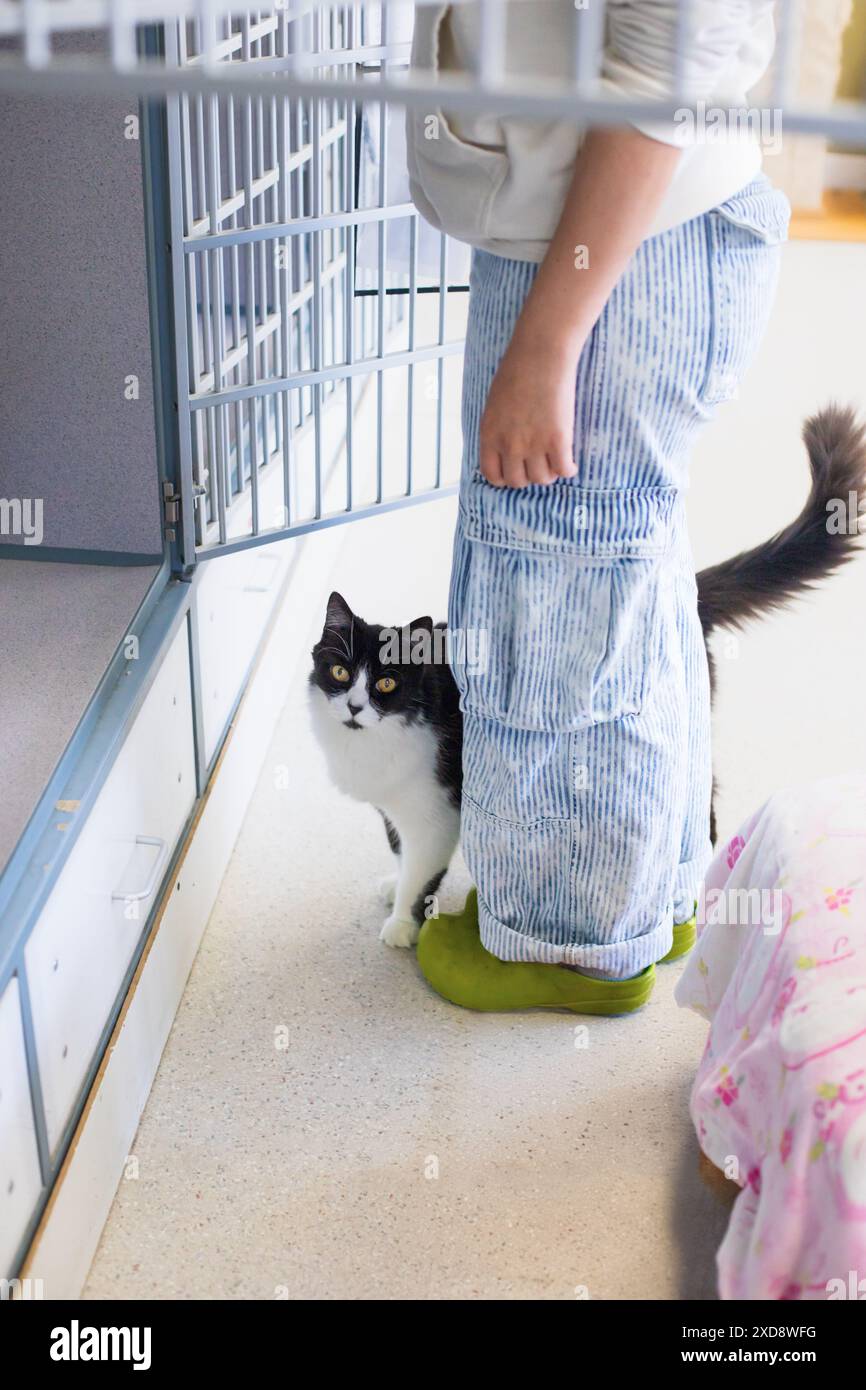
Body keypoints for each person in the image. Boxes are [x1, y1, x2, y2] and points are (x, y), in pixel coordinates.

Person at [406, 1, 791, 1013]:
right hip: (615, 224)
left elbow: (673, 49)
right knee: (614, 571)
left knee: (555, 590)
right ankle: (649, 885)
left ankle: (570, 939)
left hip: (613, 243)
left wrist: (548, 341)